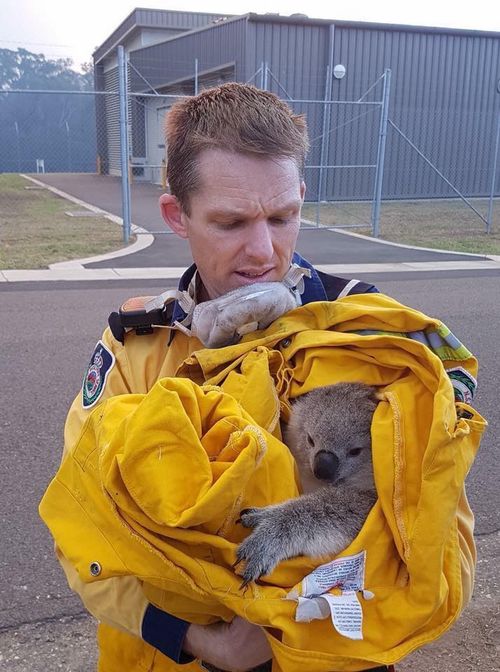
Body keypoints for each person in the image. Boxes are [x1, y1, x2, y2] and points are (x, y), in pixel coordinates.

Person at [41, 83, 477, 672]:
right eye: (230, 222)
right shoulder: (137, 345)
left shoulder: (373, 340)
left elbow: (442, 543)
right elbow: (84, 533)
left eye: (282, 216)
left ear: (301, 197)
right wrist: (194, 638)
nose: (262, 250)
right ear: (177, 215)